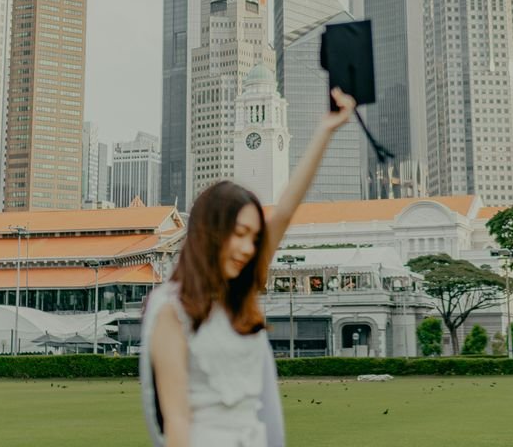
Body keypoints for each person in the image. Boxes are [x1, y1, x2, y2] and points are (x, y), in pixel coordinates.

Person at [140, 88, 357, 447]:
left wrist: (325, 131)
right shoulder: (171, 309)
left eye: (254, 238)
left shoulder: (237, 297)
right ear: (210, 233)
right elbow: (175, 418)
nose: (246, 248)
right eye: (238, 234)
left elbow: (285, 211)